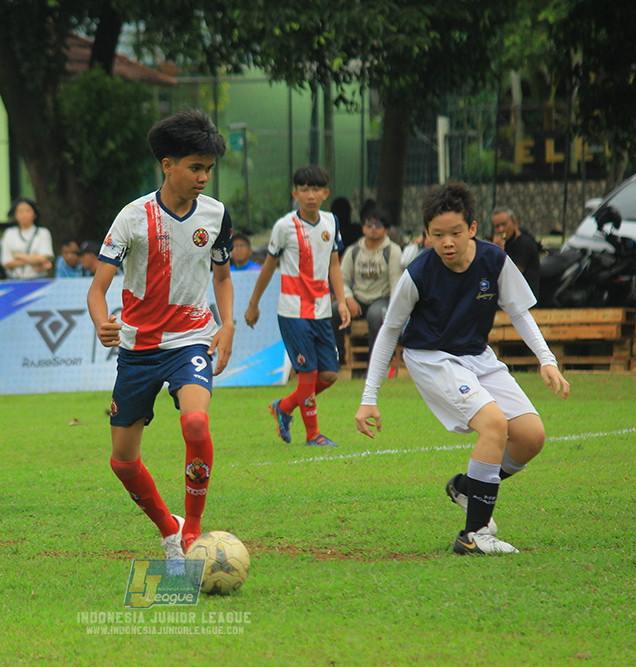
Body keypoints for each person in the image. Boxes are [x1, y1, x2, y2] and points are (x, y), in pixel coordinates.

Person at [355, 182, 570, 555]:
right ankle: (474, 535)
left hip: (477, 355)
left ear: (472, 228)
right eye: (437, 235)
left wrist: (546, 360)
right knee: (494, 424)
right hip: (431, 358)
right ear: (427, 235)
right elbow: (389, 331)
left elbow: (519, 312)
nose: (447, 242)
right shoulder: (418, 273)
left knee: (531, 436)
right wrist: (368, 397)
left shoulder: (494, 260)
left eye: (455, 232)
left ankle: (467, 487)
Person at [87, 109, 235, 561]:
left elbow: (222, 277)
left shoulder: (216, 215)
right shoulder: (132, 217)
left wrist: (227, 324)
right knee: (122, 461)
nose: (204, 177)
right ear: (167, 165)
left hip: (190, 339)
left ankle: (193, 529)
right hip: (138, 348)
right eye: (195, 167)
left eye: (209, 168)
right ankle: (169, 528)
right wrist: (101, 322)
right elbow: (97, 289)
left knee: (195, 422)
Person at [244, 164, 351, 447]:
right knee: (308, 372)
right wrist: (253, 304)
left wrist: (341, 302)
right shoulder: (284, 226)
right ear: (295, 194)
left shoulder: (331, 222)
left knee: (329, 374)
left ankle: (284, 406)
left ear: (325, 193)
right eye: (304, 190)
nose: (310, 195)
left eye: (316, 189)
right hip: (293, 312)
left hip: (321, 310)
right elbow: (269, 266)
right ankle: (313, 434)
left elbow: (334, 264)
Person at [334, 207, 403, 357]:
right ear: (363, 228)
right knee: (334, 310)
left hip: (381, 299)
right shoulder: (353, 250)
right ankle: (338, 357)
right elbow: (341, 279)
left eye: (378, 225)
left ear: (385, 230)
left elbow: (396, 283)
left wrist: (393, 310)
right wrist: (348, 298)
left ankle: (375, 362)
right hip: (358, 299)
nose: (373, 229)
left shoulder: (393, 251)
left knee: (376, 315)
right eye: (369, 225)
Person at [491, 207, 541, 298]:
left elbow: (514, 275)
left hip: (524, 299)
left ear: (514, 223)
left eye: (504, 224)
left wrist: (499, 253)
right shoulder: (506, 243)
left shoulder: (525, 244)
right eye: (497, 226)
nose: (501, 229)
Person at [0, 198, 54, 279]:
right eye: (20, 212)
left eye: (27, 211)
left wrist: (19, 256)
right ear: (15, 215)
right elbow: (6, 262)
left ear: (34, 214)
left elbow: (44, 258)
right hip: (15, 279)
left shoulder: (43, 233)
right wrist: (35, 260)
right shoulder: (9, 233)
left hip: (38, 279)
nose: (24, 214)